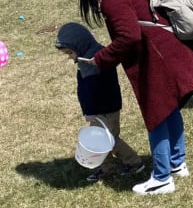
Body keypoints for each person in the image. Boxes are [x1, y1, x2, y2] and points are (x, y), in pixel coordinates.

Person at [77, 0, 193, 195]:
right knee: (169, 110)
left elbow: (129, 37)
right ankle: (176, 163)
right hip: (171, 53)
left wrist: (100, 60)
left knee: (157, 115)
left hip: (157, 60)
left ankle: (162, 178)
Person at [55, 22, 145, 182]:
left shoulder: (93, 62)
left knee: (111, 139)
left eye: (70, 52)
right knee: (100, 139)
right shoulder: (85, 60)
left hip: (106, 108)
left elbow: (91, 91)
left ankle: (134, 162)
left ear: (80, 46)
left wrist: (89, 112)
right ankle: (107, 168)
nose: (70, 57)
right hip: (98, 110)